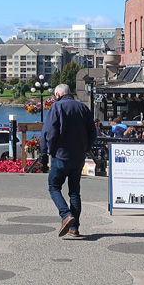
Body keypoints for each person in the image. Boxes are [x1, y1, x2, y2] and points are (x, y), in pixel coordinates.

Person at [40, 84, 96, 238]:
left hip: (61, 156)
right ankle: (74, 228)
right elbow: (93, 132)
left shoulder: (57, 107)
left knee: (53, 186)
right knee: (74, 192)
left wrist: (47, 151)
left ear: (58, 95)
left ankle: (66, 215)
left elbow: (49, 132)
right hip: (78, 157)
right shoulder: (83, 108)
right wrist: (85, 148)